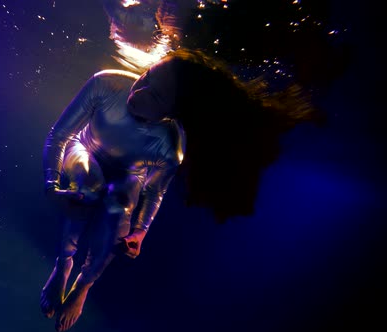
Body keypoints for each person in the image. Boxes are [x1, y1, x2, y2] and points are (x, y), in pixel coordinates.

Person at [39, 48, 318, 331]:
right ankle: (64, 263)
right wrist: (52, 186)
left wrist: (139, 232)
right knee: (91, 182)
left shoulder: (169, 146)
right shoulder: (106, 83)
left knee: (118, 206)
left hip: (127, 174)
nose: (138, 93)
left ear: (172, 115)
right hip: (85, 148)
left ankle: (85, 283)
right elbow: (60, 134)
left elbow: (154, 192)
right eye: (146, 76)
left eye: (156, 96)